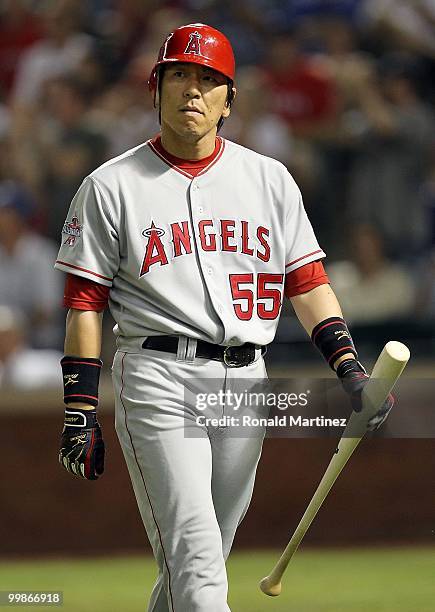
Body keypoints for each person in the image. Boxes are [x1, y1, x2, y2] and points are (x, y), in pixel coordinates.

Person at [55, 23, 393, 612]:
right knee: (199, 559)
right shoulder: (110, 185)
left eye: (208, 80)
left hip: (246, 381)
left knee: (195, 563)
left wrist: (350, 371)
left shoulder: (268, 179)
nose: (192, 90)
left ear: (229, 100)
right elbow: (85, 303)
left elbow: (307, 282)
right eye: (179, 75)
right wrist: (80, 410)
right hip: (159, 376)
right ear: (154, 89)